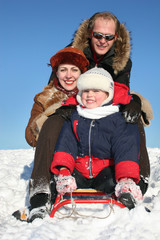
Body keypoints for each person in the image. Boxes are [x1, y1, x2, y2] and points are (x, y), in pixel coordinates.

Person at [48, 11, 153, 195]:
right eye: (98, 35)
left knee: (132, 119)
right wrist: (71, 102)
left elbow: (121, 90)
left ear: (116, 37)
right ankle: (47, 185)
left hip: (106, 101)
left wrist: (132, 101)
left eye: (108, 37)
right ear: (90, 33)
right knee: (60, 124)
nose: (103, 41)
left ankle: (135, 180)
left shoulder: (122, 62)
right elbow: (56, 84)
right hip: (73, 99)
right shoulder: (73, 53)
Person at [51, 67, 143, 210]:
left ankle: (126, 190)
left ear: (108, 94)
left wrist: (126, 177)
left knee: (114, 179)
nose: (89, 95)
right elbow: (66, 144)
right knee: (55, 178)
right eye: (86, 91)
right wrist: (64, 170)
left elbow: (126, 148)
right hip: (80, 172)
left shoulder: (118, 119)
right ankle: (57, 190)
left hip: (105, 173)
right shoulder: (75, 117)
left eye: (96, 91)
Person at [25, 47, 89, 222]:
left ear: (82, 73)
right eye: (63, 70)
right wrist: (55, 113)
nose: (68, 75)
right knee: (55, 121)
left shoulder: (92, 93)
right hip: (55, 157)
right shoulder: (44, 98)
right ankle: (40, 195)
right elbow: (30, 136)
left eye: (74, 70)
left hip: (86, 155)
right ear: (56, 73)